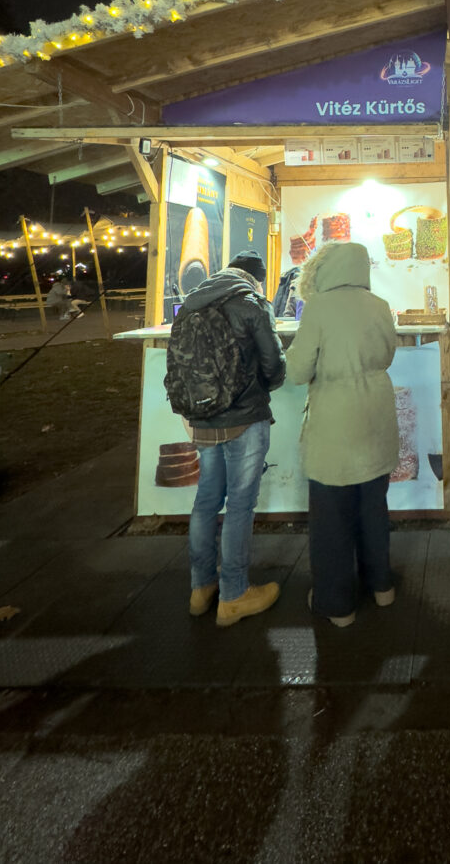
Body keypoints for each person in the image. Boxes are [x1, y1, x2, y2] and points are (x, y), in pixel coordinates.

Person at [285, 241, 398, 628]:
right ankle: (382, 587)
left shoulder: (319, 307)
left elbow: (297, 370)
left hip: (336, 424)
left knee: (332, 519)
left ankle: (338, 606)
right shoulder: (380, 305)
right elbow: (387, 356)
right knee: (373, 508)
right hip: (377, 416)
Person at [184, 249, 286, 627]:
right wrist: (264, 386)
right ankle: (234, 594)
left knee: (207, 499)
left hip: (202, 417)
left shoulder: (193, 303)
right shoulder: (252, 303)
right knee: (240, 506)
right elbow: (274, 364)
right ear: (256, 278)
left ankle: (201, 587)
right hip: (244, 419)